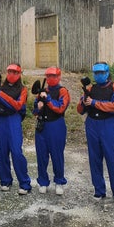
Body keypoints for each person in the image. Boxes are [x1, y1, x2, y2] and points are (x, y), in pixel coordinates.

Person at [77, 61, 114, 202]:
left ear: (107, 73)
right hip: (92, 124)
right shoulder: (90, 88)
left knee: (112, 158)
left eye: (101, 72)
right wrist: (83, 100)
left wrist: (94, 103)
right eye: (96, 73)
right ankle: (99, 190)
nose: (99, 75)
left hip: (108, 124)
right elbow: (80, 110)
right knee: (94, 158)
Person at [0, 63, 32, 195]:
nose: (12, 75)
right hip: (0, 120)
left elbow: (18, 106)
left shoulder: (23, 89)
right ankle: (5, 181)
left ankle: (25, 183)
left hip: (13, 120)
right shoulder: (1, 88)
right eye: (10, 72)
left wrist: (1, 96)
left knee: (16, 152)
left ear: (19, 74)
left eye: (15, 72)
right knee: (2, 152)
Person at [32, 67, 70, 195]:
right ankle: (43, 182)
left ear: (59, 77)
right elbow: (34, 111)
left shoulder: (63, 91)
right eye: (48, 76)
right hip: (42, 126)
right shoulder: (43, 91)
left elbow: (60, 108)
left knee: (57, 154)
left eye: (53, 76)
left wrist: (47, 99)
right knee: (41, 155)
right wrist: (38, 107)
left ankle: (59, 181)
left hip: (56, 125)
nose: (50, 78)